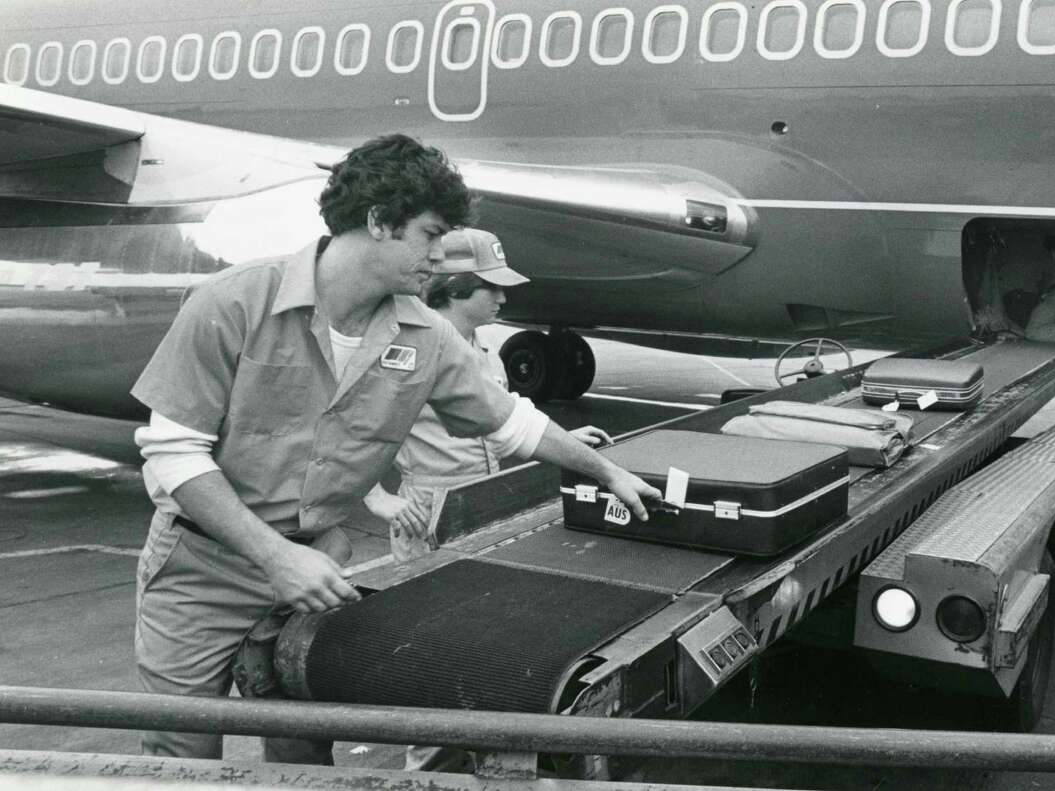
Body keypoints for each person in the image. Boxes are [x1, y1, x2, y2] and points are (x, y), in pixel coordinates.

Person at [129, 133, 660, 764]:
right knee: (180, 746)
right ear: (379, 221)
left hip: (316, 563)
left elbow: (512, 422)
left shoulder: (426, 333)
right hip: (203, 566)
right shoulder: (233, 302)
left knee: (303, 743)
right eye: (431, 234)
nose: (440, 256)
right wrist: (273, 556)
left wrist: (605, 470)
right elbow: (175, 453)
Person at [381, 228, 610, 547]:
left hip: (486, 496)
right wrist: (376, 498)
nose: (503, 298)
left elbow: (497, 431)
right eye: (491, 288)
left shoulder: (486, 351)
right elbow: (341, 430)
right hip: (427, 508)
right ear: (456, 288)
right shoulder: (408, 348)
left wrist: (560, 442)